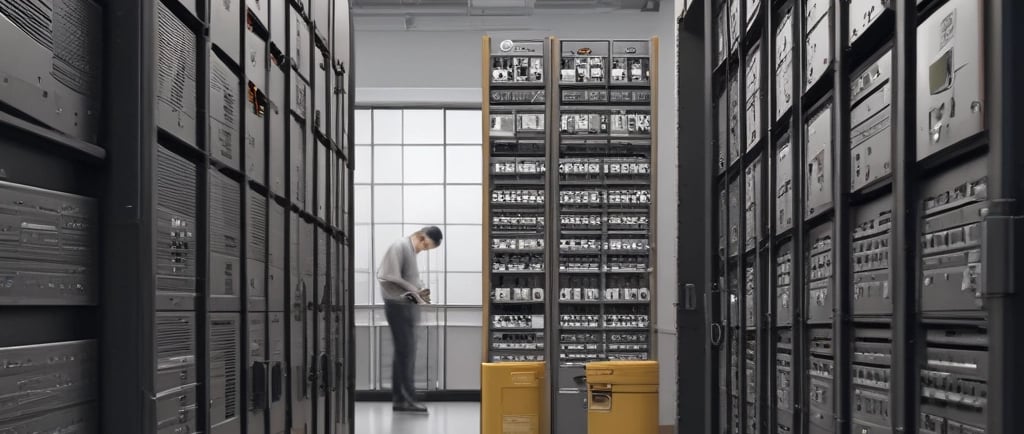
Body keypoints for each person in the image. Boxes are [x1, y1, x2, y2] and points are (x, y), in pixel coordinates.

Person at [376, 226, 443, 413]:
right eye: (426, 246)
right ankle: (407, 399)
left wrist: (420, 290)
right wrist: (414, 290)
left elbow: (410, 278)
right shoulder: (400, 246)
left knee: (404, 353)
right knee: (405, 353)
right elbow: (386, 275)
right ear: (421, 237)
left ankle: (401, 399)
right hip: (397, 306)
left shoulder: (409, 250)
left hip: (404, 306)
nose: (424, 250)